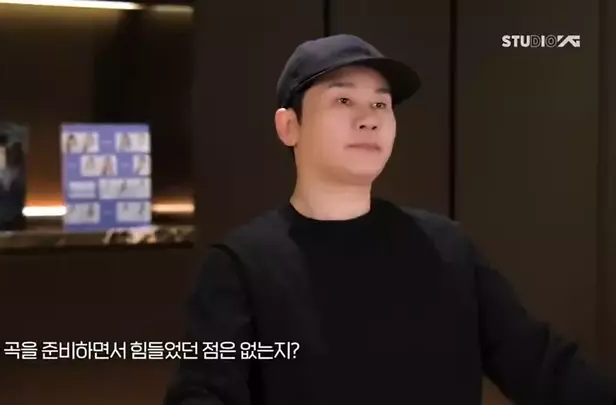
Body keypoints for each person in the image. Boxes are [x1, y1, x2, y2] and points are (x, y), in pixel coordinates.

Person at [163, 34, 616, 405]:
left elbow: (541, 365)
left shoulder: (446, 248)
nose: (369, 120)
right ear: (289, 126)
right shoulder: (241, 266)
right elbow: (203, 391)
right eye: (343, 100)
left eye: (381, 105)